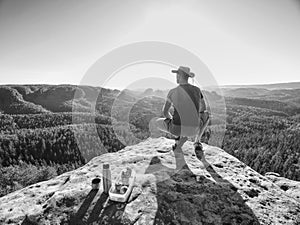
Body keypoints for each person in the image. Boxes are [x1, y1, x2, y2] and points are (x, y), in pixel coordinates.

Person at [150, 66, 209, 158]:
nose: (176, 77)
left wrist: (174, 120)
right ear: (188, 77)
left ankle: (177, 140)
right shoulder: (197, 90)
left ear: (179, 76)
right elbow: (203, 108)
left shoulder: (172, 92)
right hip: (193, 129)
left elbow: (165, 112)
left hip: (176, 129)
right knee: (206, 115)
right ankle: (197, 142)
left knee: (156, 122)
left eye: (177, 74)